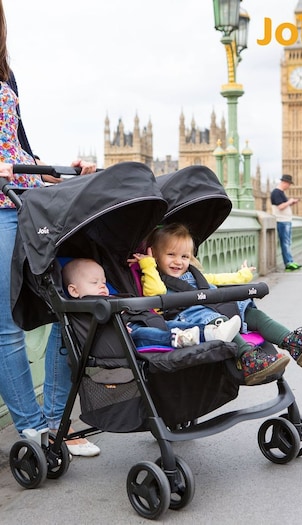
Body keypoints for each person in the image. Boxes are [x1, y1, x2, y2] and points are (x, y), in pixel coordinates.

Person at [0, 0, 99, 456]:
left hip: (23, 205)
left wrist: (54, 169)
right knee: (6, 326)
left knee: (66, 307)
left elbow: (18, 142)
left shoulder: (7, 74)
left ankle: (60, 425)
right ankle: (32, 428)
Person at [131, 223, 302, 387]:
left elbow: (219, 279)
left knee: (248, 311)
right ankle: (248, 359)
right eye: (171, 254)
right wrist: (148, 264)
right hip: (187, 317)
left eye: (184, 257)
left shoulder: (193, 274)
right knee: (218, 320)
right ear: (154, 254)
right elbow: (155, 294)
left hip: (212, 307)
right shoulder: (155, 277)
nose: (178, 262)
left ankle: (293, 342)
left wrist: (242, 276)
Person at [61, 258, 242, 348]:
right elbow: (91, 329)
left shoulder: (111, 297)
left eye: (103, 281)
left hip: (146, 320)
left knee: (173, 324)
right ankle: (182, 339)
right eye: (94, 283)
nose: (102, 286)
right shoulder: (84, 306)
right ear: (74, 291)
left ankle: (212, 330)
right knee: (148, 334)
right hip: (128, 335)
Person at [270, 174, 302, 271]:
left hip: (286, 221)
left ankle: (290, 261)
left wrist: (291, 203)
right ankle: (288, 263)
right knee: (285, 243)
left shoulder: (281, 192)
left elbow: (283, 206)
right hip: (282, 221)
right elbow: (280, 207)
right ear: (285, 182)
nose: (289, 186)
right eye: (289, 184)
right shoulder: (276, 192)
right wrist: (290, 201)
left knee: (287, 242)